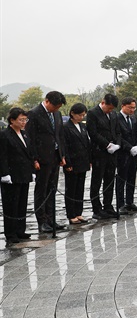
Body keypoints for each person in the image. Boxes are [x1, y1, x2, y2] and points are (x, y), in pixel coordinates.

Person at [26, 91, 67, 233]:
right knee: (41, 190)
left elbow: (60, 135)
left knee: (52, 189)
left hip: (55, 157)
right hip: (42, 158)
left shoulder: (57, 114)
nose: (56, 109)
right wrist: (34, 158)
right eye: (55, 106)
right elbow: (29, 138)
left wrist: (62, 154)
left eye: (59, 107)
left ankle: (51, 219)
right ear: (47, 101)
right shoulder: (34, 114)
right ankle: (42, 221)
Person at [0, 108, 35, 244]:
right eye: (21, 120)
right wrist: (4, 173)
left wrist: (32, 171)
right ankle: (11, 232)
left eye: (25, 120)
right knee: (11, 205)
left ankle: (20, 230)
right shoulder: (4, 135)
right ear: (12, 120)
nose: (23, 122)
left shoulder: (25, 134)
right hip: (11, 175)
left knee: (22, 203)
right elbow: (2, 156)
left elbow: (29, 154)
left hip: (24, 173)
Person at [87, 93, 122, 219]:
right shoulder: (93, 113)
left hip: (112, 153)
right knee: (97, 180)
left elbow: (117, 131)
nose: (110, 110)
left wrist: (117, 144)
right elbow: (93, 133)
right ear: (103, 103)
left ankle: (108, 205)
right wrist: (107, 145)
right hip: (99, 152)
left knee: (109, 179)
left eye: (112, 108)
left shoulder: (113, 115)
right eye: (109, 107)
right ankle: (96, 208)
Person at [63, 103, 91, 225]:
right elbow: (65, 146)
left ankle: (78, 212)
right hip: (72, 162)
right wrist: (67, 163)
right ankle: (71, 214)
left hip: (83, 161)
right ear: (72, 113)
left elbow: (87, 143)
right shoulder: (65, 127)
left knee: (80, 188)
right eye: (80, 115)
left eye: (83, 115)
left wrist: (90, 159)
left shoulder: (82, 126)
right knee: (71, 189)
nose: (82, 117)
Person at [116, 97, 137, 214]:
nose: (132, 110)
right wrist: (129, 147)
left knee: (132, 178)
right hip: (123, 153)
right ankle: (120, 204)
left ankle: (130, 202)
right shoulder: (116, 118)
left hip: (134, 154)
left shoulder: (134, 118)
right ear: (123, 106)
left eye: (134, 108)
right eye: (130, 107)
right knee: (121, 178)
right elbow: (118, 136)